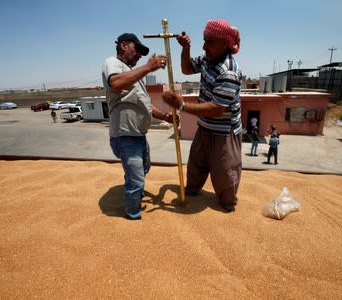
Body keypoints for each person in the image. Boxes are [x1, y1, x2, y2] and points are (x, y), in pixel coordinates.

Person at [162, 19, 242, 212]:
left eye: (210, 42)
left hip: (223, 132)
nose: (204, 46)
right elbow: (187, 69)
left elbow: (216, 108)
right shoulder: (208, 59)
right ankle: (193, 190)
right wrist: (186, 47)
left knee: (225, 173)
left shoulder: (228, 70)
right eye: (204, 40)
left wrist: (181, 105)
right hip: (205, 127)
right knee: (196, 164)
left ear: (225, 44)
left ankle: (228, 204)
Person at [102, 33, 175, 220]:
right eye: (137, 50)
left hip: (138, 135)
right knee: (136, 177)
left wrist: (166, 117)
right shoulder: (113, 63)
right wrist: (148, 67)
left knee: (144, 168)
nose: (139, 56)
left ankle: (135, 193)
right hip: (125, 135)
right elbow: (116, 83)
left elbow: (146, 105)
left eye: (142, 55)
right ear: (124, 46)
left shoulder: (134, 76)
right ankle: (133, 214)